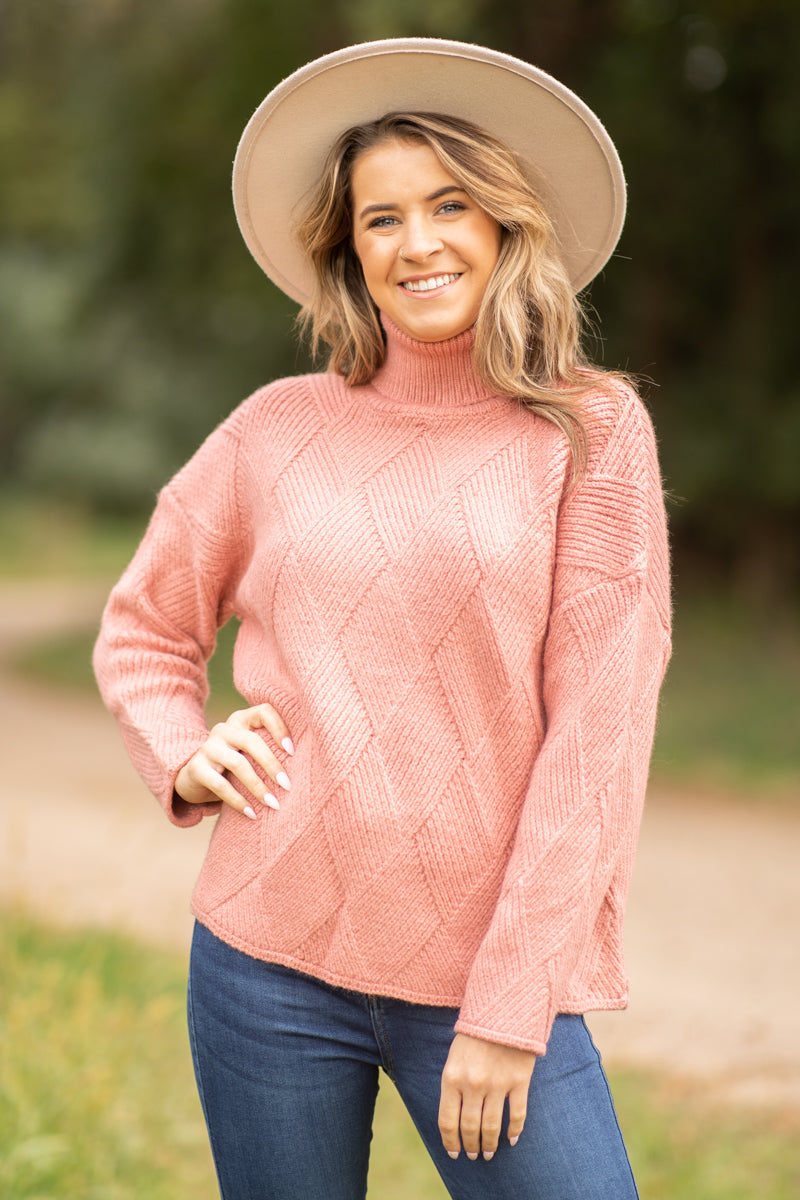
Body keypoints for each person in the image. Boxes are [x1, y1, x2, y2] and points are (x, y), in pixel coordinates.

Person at [94, 38, 671, 1200]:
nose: (417, 243)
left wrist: (509, 1005)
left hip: (483, 976)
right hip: (261, 962)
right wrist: (183, 751)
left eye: (448, 205)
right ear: (348, 252)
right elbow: (143, 627)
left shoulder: (590, 431)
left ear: (503, 223)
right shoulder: (275, 427)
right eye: (381, 218)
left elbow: (596, 741)